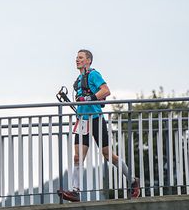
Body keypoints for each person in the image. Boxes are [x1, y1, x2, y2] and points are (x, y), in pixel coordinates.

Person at [57, 49, 140, 202]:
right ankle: (75, 191)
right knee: (77, 157)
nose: (77, 60)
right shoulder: (79, 79)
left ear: (88, 60)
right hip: (82, 121)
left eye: (80, 57)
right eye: (76, 57)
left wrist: (88, 99)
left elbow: (106, 91)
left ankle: (133, 181)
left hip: (96, 119)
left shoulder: (94, 74)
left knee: (108, 155)